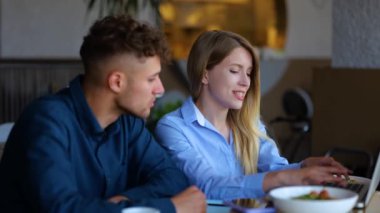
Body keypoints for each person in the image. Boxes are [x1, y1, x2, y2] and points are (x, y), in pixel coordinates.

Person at [0, 16, 206, 213]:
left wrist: (125, 201)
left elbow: (173, 178)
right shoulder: (46, 122)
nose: (160, 89)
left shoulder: (127, 122)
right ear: (117, 82)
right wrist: (171, 208)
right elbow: (63, 209)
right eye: (151, 79)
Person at [154, 30, 349, 200]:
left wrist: (303, 167)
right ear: (205, 74)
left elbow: (274, 167)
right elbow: (208, 186)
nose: (246, 82)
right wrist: (286, 177)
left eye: (248, 73)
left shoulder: (249, 122)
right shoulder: (173, 127)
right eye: (234, 71)